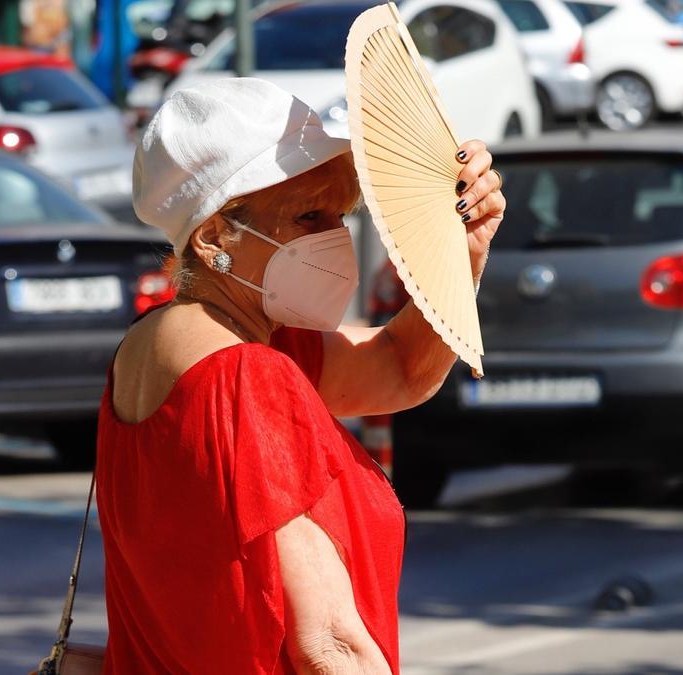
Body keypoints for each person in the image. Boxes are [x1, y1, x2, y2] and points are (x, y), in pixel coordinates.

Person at [97, 78, 505, 673]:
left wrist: (460, 255)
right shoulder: (245, 374)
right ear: (215, 236)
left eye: (339, 214)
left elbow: (396, 368)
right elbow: (329, 643)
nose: (334, 237)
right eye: (309, 215)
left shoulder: (157, 343)